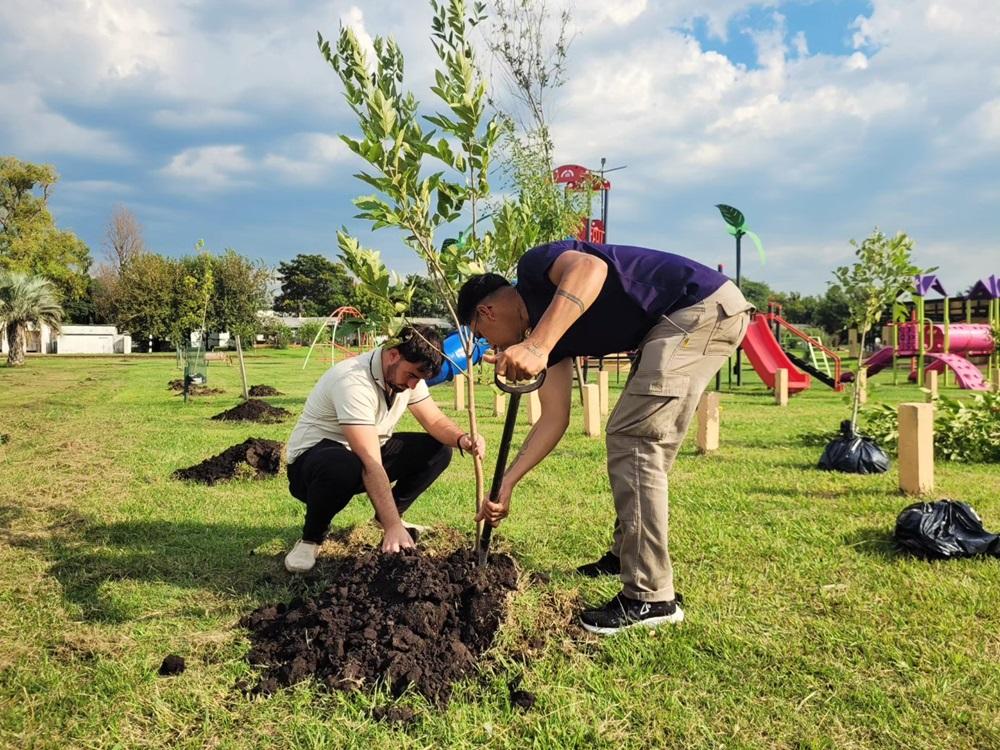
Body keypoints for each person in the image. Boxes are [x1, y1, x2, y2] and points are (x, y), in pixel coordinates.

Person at [457, 240, 752, 634]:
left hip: (697, 308)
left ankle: (651, 597)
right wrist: (507, 483)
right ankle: (626, 554)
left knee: (634, 440)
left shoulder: (535, 267)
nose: (493, 346)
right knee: (638, 437)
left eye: (483, 335)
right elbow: (554, 419)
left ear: (487, 312)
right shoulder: (546, 334)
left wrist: (538, 346)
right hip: (676, 321)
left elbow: (590, 269)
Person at [283, 324, 485, 573]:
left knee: (438, 450)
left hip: (364, 454)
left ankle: (387, 516)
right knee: (344, 465)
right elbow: (370, 461)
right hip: (313, 465)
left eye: (419, 379)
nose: (413, 385)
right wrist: (393, 528)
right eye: (411, 376)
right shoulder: (353, 381)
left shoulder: (408, 376)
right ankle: (311, 538)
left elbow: (434, 420)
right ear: (393, 355)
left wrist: (462, 438)